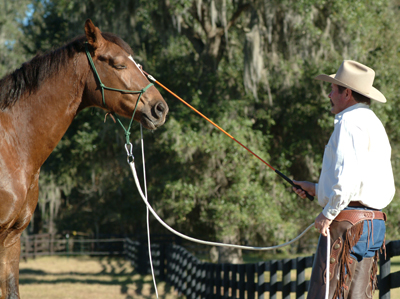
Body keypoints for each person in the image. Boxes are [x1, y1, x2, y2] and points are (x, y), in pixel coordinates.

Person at [293, 60, 395, 299]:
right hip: (373, 225)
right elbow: (359, 180)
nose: (329, 94)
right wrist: (317, 190)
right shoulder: (373, 123)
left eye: (333, 89)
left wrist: (328, 213)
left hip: (348, 224)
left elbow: (348, 178)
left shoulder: (349, 123)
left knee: (325, 294)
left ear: (347, 93)